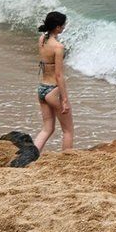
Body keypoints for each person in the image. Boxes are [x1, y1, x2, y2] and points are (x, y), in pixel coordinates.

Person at [32, 11, 73, 152]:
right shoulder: (58, 47)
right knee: (68, 131)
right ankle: (65, 161)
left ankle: (31, 155)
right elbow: (59, 75)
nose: (64, 27)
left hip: (42, 88)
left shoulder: (42, 39)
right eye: (63, 25)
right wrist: (65, 99)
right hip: (53, 91)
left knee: (47, 129)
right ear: (57, 27)